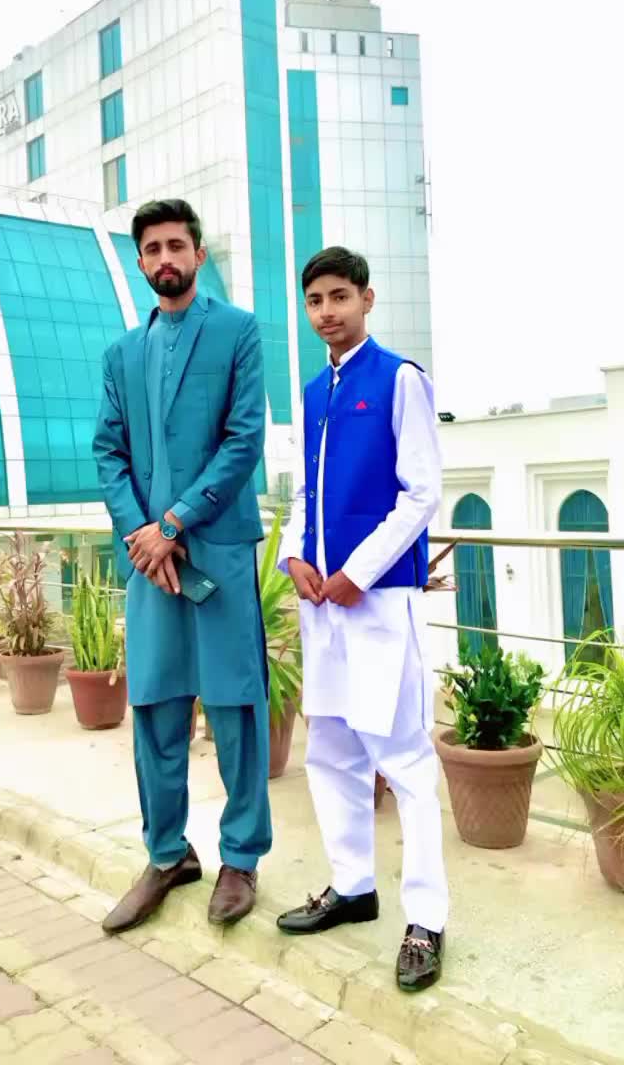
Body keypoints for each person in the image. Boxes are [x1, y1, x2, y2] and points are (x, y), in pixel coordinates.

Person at [93, 198, 271, 934]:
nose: (165, 258)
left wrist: (173, 523)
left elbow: (244, 438)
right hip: (151, 565)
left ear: (197, 253)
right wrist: (141, 532)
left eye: (176, 245)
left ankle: (241, 857)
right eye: (152, 249)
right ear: (140, 262)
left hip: (216, 551)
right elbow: (108, 451)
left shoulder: (237, 331)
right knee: (156, 708)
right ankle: (167, 856)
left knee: (235, 707)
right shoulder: (121, 355)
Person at [276, 246, 448, 993]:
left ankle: (426, 920)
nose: (327, 312)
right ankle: (352, 887)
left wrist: (359, 572)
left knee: (404, 760)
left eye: (339, 296)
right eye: (315, 300)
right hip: (323, 605)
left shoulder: (399, 378)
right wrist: (293, 556)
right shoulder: (315, 391)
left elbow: (422, 494)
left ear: (366, 299)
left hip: (379, 601)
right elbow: (303, 493)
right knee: (332, 752)